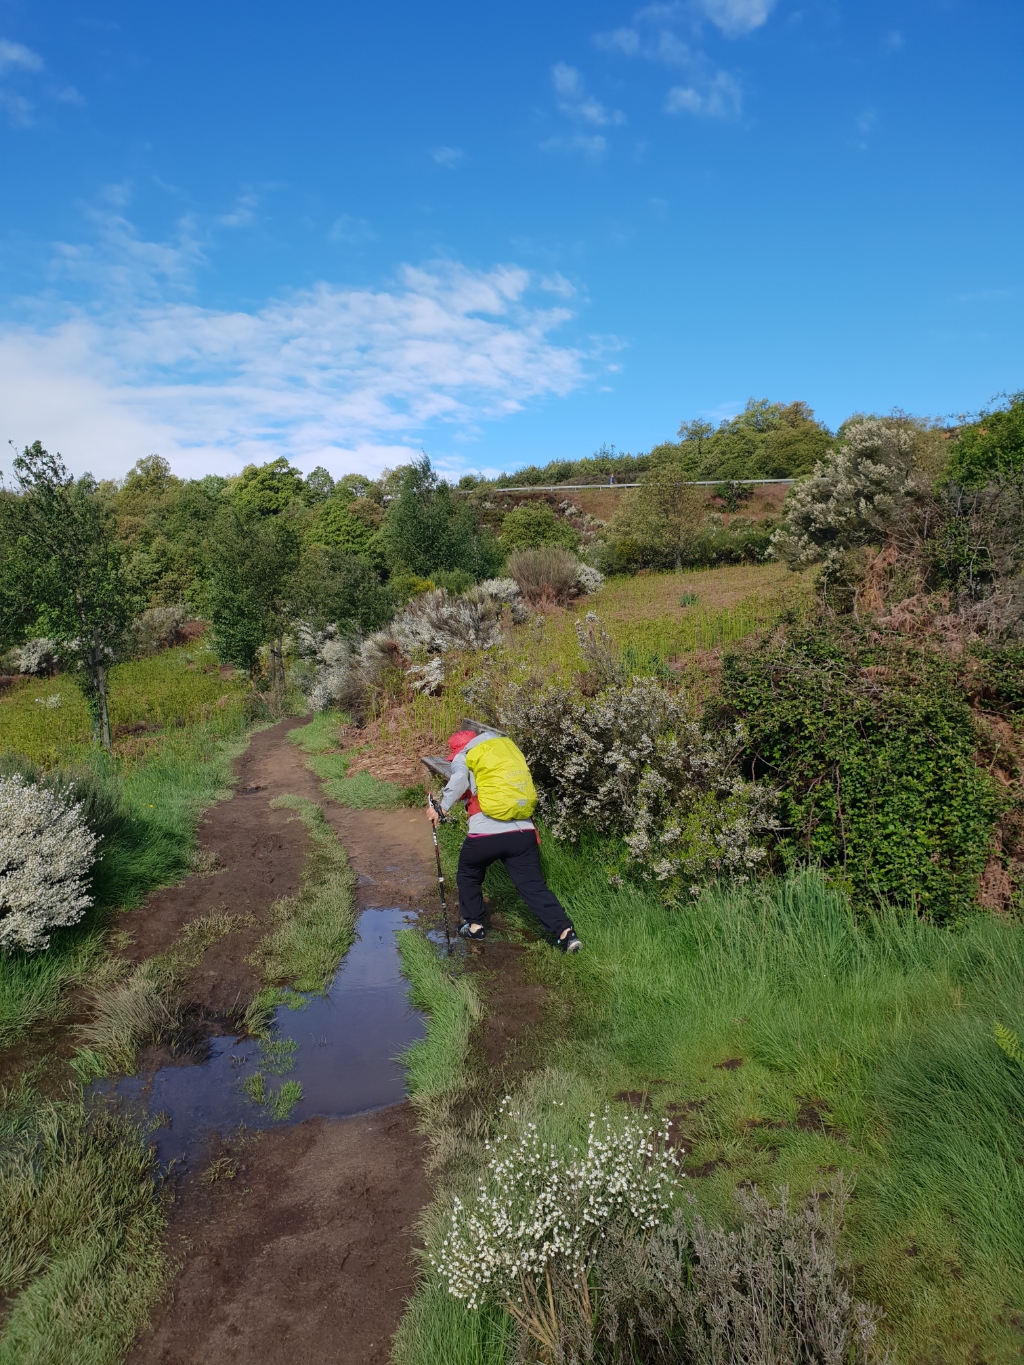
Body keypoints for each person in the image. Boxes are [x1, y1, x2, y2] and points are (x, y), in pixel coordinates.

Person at [427, 728, 582, 952]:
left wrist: (440, 808)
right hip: (523, 832)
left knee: (468, 873)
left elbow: (460, 779)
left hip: (486, 834)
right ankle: (566, 933)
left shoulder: (466, 755)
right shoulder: (505, 751)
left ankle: (475, 926)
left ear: (460, 750)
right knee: (532, 886)